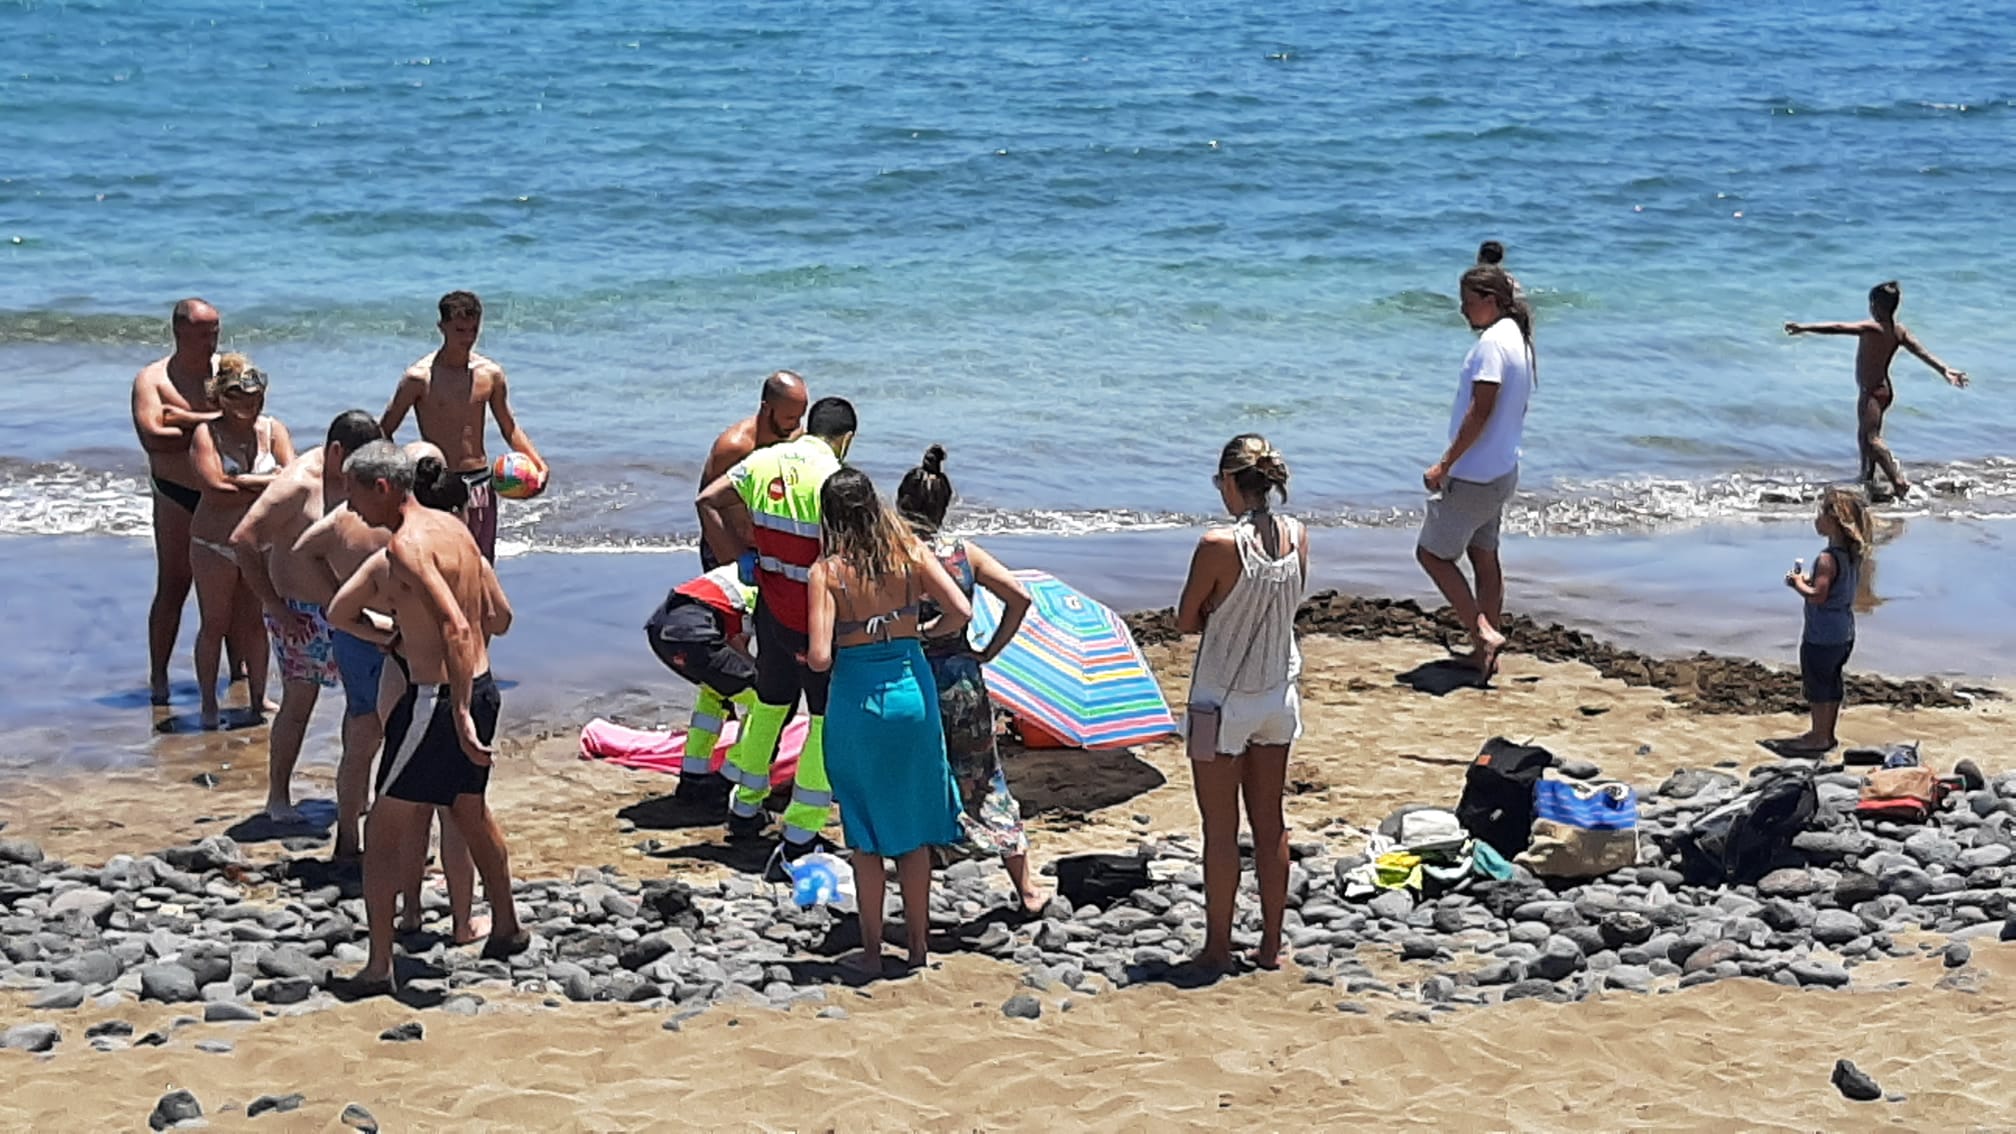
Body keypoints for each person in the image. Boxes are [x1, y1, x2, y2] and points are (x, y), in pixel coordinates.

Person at [326, 441, 524, 991]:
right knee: (468, 809)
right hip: (480, 686)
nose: (350, 505)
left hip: (438, 697)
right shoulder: (453, 526)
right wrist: (395, 637)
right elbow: (492, 613)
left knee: (383, 827)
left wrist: (457, 708)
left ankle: (379, 964)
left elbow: (458, 626)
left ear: (383, 487)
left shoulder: (407, 547)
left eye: (354, 491)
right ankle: (505, 924)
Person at [807, 467, 971, 974]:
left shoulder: (827, 573)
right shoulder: (911, 554)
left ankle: (874, 951)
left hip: (859, 701)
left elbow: (818, 657)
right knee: (915, 828)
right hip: (911, 692)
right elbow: (961, 611)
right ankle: (920, 948)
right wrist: (918, 632)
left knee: (865, 830)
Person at [695, 396, 857, 857]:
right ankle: (802, 828)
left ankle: (745, 807)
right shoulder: (836, 479)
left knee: (770, 704)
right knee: (825, 719)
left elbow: (708, 499)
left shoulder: (762, 460)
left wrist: (734, 559)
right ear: (846, 439)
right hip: (816, 614)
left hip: (772, 607)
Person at [1176, 436, 1308, 973]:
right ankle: (1272, 943)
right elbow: (1292, 602)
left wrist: (1213, 610)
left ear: (1231, 481)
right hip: (1278, 691)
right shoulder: (1298, 534)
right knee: (1270, 822)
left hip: (1221, 700)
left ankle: (1217, 945)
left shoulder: (1218, 544)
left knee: (1221, 830)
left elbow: (1186, 618)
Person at [894, 445, 1045, 914]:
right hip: (963, 679)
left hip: (911, 680)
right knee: (985, 779)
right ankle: (1028, 889)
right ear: (944, 507)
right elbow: (1019, 597)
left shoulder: (896, 558)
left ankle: (919, 882)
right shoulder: (964, 555)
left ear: (900, 506)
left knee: (914, 780)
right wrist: (989, 650)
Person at [228, 409, 385, 820]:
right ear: (336, 452)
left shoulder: (360, 477)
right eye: (355, 464)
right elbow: (243, 540)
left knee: (365, 707)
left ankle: (356, 795)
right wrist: (274, 607)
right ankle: (277, 797)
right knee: (299, 704)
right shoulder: (298, 485)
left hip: (353, 612)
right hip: (301, 614)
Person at [1418, 264, 1535, 679]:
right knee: (1484, 557)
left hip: (1474, 476)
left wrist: (1445, 464)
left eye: (1468, 303)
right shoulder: (1518, 339)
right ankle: (1486, 654)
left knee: (1431, 554)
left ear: (1490, 301)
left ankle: (1483, 632)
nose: (1463, 311)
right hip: (1502, 470)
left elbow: (1481, 410)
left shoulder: (1491, 345)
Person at [379, 290, 546, 562]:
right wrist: (390, 482)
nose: (467, 338)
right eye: (459, 330)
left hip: (481, 482)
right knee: (443, 563)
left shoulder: (490, 374)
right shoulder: (419, 378)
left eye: (473, 330)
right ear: (441, 327)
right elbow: (385, 431)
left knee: (481, 565)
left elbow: (509, 427)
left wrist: (537, 463)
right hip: (438, 484)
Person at [1785, 281, 1969, 500]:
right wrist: (1944, 369)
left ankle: (1898, 481)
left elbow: (1838, 328)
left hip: (1872, 391)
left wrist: (1804, 328)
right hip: (1882, 390)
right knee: (1864, 437)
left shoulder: (1872, 328)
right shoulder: (1898, 331)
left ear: (1876, 306)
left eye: (1871, 304)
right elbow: (1922, 352)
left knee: (1871, 439)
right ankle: (1867, 479)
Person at [187, 355, 295, 729]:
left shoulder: (273, 430)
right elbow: (214, 489)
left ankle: (258, 698)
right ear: (220, 397)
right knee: (214, 622)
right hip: (213, 541)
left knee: (254, 622)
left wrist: (246, 482)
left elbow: (292, 481)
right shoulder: (206, 433)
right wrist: (261, 483)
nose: (248, 404)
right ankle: (207, 704)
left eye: (254, 396)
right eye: (237, 396)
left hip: (258, 543)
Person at [131, 298, 222, 704]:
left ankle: (237, 677)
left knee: (234, 590)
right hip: (175, 493)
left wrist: (184, 421)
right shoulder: (152, 380)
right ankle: (160, 677)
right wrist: (212, 426)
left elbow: (249, 421)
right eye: (202, 333)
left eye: (215, 331)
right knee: (174, 584)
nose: (211, 340)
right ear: (179, 333)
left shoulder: (227, 371)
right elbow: (152, 437)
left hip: (221, 493)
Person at [643, 563, 759, 808]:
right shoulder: (768, 584)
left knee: (715, 694)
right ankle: (729, 776)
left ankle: (693, 776)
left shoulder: (738, 571)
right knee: (766, 700)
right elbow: (740, 647)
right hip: (694, 635)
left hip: (661, 631)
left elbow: (733, 647)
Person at [1780, 487, 1873, 755]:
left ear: (1834, 520)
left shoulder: (1827, 558)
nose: (1816, 519)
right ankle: (1825, 733)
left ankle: (1819, 735)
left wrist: (1798, 584)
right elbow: (1833, 589)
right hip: (1843, 631)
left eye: (1821, 513)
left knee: (1817, 684)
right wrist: (1809, 583)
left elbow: (1818, 596)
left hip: (1822, 634)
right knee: (1832, 682)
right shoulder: (1850, 555)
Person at [697, 371, 810, 571]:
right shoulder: (734, 447)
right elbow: (708, 507)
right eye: (790, 418)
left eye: (800, 417)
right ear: (767, 409)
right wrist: (735, 560)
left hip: (767, 550)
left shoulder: (794, 437)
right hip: (726, 547)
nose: (796, 425)